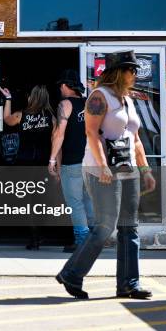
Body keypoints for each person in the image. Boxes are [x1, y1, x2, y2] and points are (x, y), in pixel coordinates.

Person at [56, 50, 156, 300]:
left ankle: (129, 284)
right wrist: (102, 167)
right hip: (101, 170)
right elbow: (91, 133)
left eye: (135, 70)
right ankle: (71, 273)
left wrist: (145, 170)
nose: (134, 74)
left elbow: (135, 140)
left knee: (128, 228)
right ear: (117, 72)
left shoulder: (129, 101)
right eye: (130, 70)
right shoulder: (100, 97)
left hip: (127, 170)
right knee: (104, 226)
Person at [0, 84, 56, 250]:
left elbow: (7, 119)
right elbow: (55, 142)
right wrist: (54, 163)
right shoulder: (51, 118)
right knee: (42, 201)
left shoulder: (21, 115)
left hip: (25, 163)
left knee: (29, 202)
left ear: (32, 97)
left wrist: (8, 99)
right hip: (43, 164)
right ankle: (40, 234)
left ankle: (34, 237)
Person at [48, 70, 95, 252]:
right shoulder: (90, 104)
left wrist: (52, 159)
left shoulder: (65, 104)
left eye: (61, 85)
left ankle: (82, 240)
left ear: (66, 86)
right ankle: (93, 238)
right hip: (92, 161)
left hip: (73, 161)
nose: (60, 88)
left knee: (75, 202)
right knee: (89, 201)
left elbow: (59, 133)